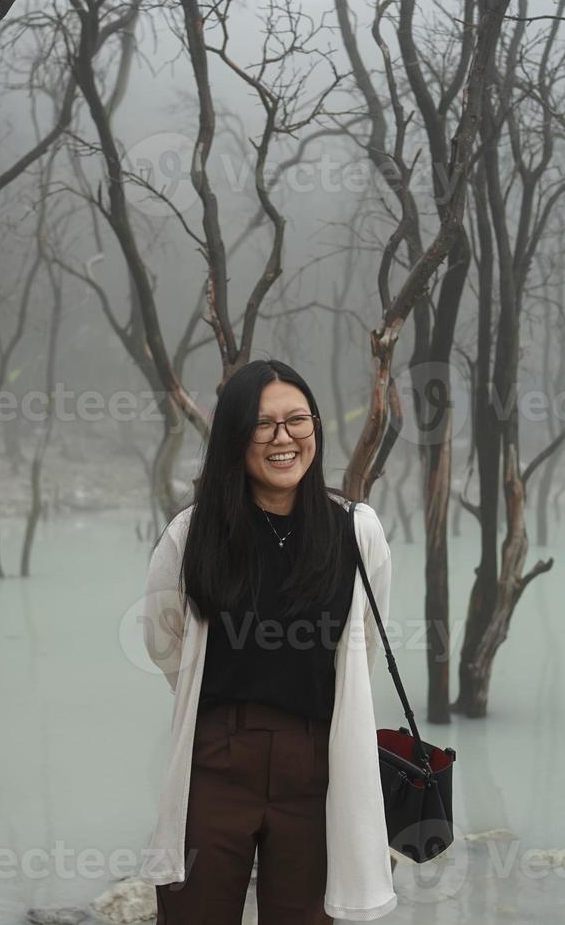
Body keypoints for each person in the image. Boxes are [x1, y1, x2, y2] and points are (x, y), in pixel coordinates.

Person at [137, 359, 397, 922]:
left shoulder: (355, 530)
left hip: (315, 765)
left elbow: (362, 646)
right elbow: (166, 642)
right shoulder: (192, 534)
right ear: (234, 436)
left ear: (316, 430)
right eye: (263, 425)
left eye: (296, 421)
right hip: (217, 764)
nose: (284, 439)